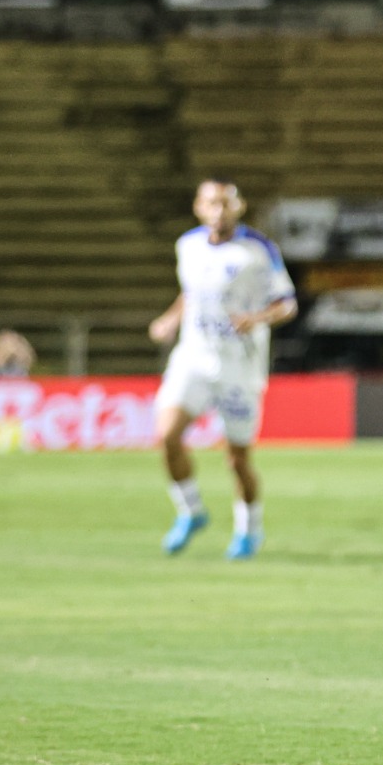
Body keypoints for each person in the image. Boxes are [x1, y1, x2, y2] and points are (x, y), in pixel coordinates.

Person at [148, 180, 297, 560]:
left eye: (226, 203)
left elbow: (287, 304)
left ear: (239, 207)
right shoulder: (187, 245)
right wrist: (169, 319)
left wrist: (256, 318)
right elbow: (192, 292)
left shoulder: (258, 250)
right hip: (194, 356)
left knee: (236, 458)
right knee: (167, 436)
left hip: (238, 365)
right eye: (212, 203)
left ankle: (249, 530)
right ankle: (191, 511)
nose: (219, 210)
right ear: (199, 207)